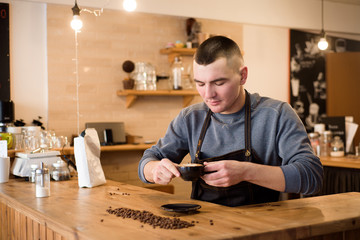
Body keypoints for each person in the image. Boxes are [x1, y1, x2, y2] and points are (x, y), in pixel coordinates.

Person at [138, 36, 323, 207]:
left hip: (264, 228)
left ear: (243, 75)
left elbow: (312, 177)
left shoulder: (277, 115)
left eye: (219, 83)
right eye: (200, 84)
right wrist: (154, 169)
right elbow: (148, 161)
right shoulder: (190, 118)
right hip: (203, 227)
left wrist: (246, 172)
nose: (208, 94)